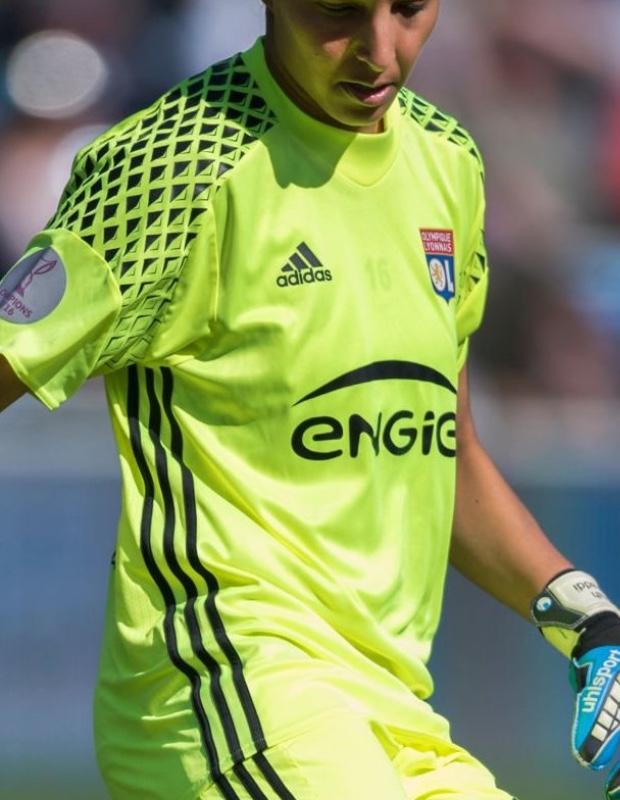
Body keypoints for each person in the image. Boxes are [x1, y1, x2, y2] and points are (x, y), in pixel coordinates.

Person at [1, 1, 619, 798]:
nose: (380, 50)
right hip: (230, 694)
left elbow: (446, 447)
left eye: (408, 9)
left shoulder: (448, 160)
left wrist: (591, 621)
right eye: (339, 12)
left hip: (397, 713)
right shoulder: (171, 166)